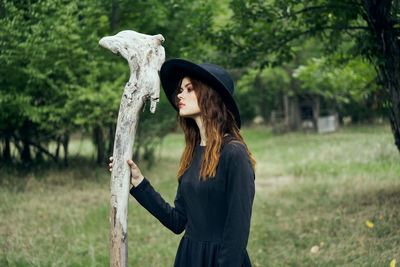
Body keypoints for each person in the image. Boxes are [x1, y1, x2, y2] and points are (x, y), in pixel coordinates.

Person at [109, 58, 256, 267]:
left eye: (189, 88)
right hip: (189, 258)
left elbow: (237, 233)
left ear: (210, 96)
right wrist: (139, 182)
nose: (179, 94)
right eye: (180, 89)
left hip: (222, 261)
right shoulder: (192, 153)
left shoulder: (234, 153)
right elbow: (178, 221)